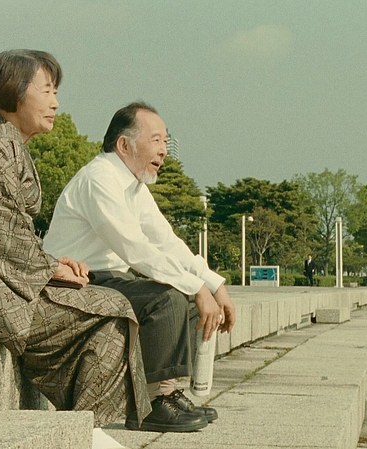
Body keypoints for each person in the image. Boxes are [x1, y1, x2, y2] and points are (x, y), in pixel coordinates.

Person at [0, 50, 150, 440]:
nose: (55, 102)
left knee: (106, 314)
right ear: (14, 92)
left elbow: (1, 232)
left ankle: (81, 431)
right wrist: (51, 268)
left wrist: (53, 263)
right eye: (46, 90)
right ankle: (85, 434)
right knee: (114, 311)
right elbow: (1, 235)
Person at [43, 101, 237, 433]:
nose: (164, 151)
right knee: (167, 299)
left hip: (109, 279)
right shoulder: (99, 179)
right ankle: (148, 406)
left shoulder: (133, 186)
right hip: (76, 282)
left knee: (188, 298)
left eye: (166, 141)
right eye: (156, 140)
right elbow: (134, 248)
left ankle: (167, 393)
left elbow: (166, 241)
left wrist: (213, 284)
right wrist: (195, 286)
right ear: (124, 145)